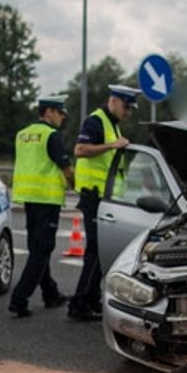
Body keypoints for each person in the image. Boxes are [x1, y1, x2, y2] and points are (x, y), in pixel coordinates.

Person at [68, 84, 138, 322]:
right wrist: (111, 145)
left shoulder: (113, 124)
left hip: (106, 199)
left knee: (101, 251)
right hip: (93, 197)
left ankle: (90, 300)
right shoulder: (95, 121)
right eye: (126, 107)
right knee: (96, 252)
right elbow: (79, 150)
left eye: (131, 109)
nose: (128, 113)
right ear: (114, 101)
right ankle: (79, 303)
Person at [8, 96, 73, 318]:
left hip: (29, 199)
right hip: (47, 200)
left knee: (38, 248)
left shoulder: (22, 134)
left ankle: (50, 293)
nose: (63, 117)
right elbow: (65, 167)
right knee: (41, 251)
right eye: (60, 113)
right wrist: (77, 186)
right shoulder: (52, 135)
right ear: (49, 112)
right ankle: (19, 299)